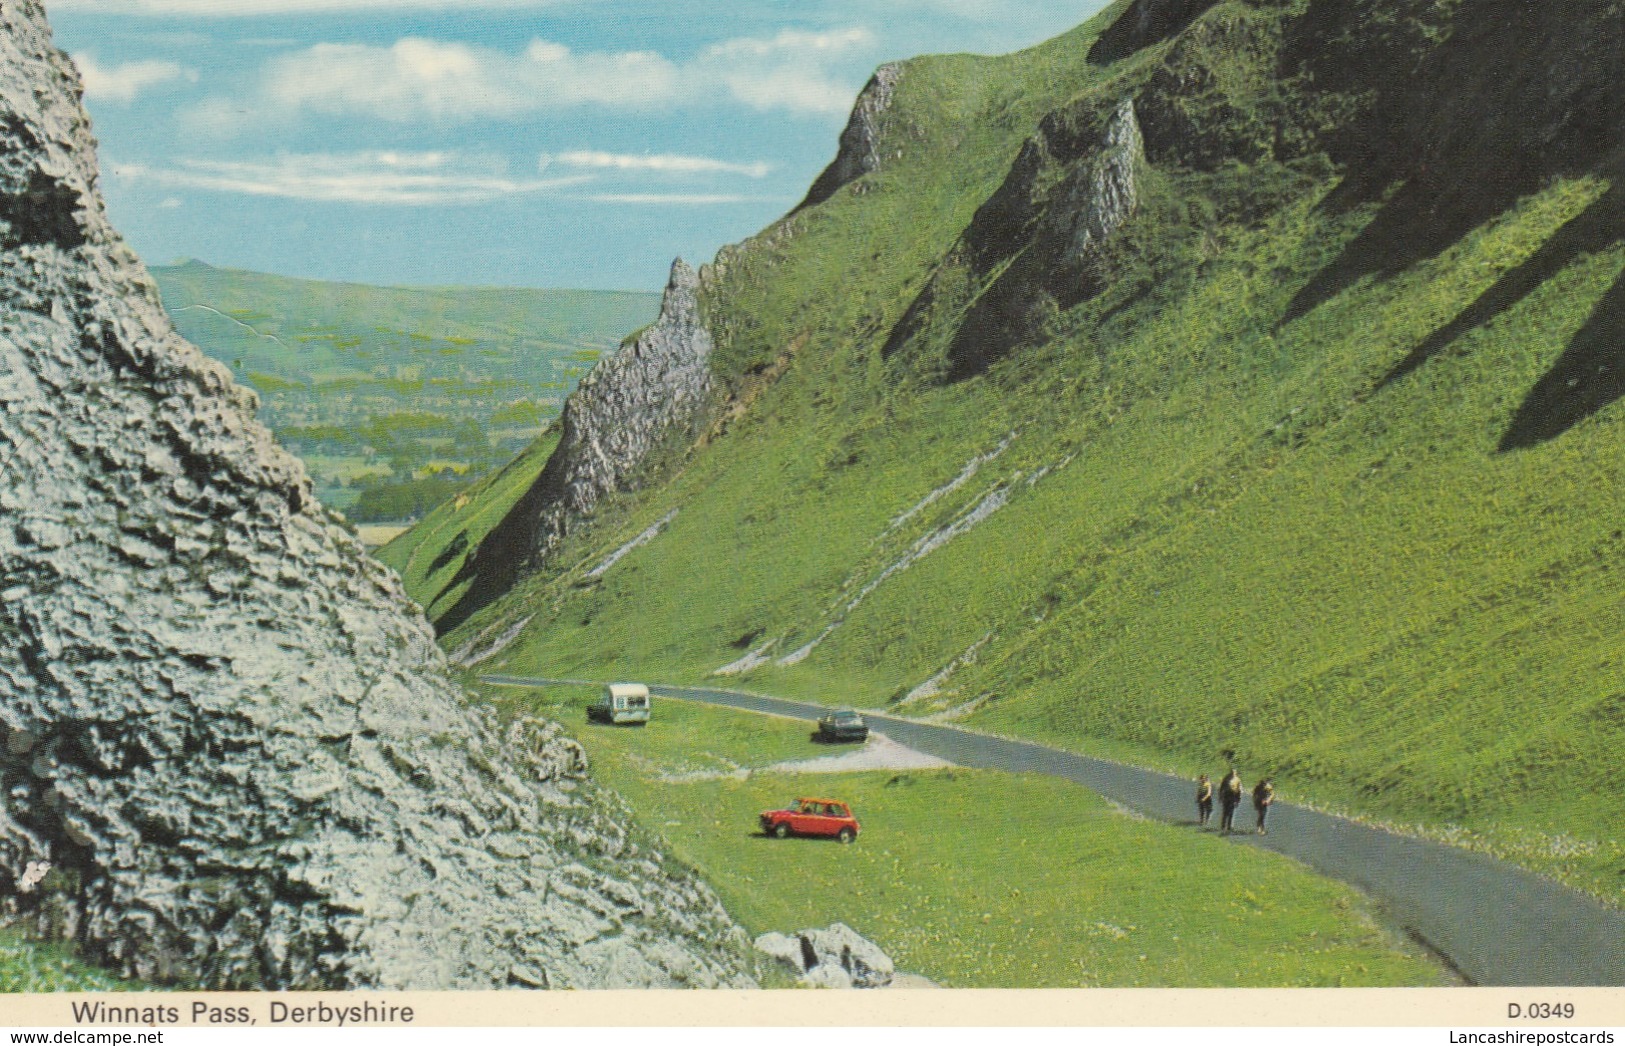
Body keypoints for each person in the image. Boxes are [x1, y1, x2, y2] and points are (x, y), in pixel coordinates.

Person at [1218, 769, 1243, 834]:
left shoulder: (1237, 780)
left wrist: (1238, 799)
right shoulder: (1226, 778)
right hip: (1226, 796)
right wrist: (1220, 797)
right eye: (1232, 772)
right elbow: (1221, 788)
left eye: (1234, 772)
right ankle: (1223, 826)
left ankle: (1229, 826)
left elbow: (1240, 790)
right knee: (1225, 812)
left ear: (1235, 773)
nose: (1233, 774)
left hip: (1233, 796)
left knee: (1231, 812)